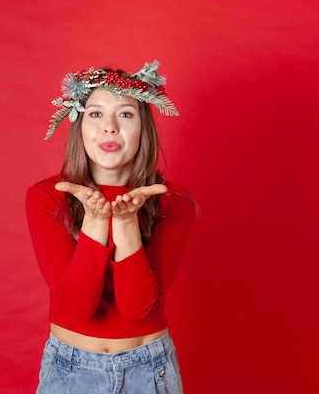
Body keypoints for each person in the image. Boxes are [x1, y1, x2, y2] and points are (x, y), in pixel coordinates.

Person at [26, 60, 196, 394]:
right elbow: (78, 307)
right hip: (70, 371)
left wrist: (125, 221)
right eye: (96, 113)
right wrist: (96, 221)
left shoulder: (173, 200)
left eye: (126, 114)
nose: (110, 127)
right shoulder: (47, 197)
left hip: (150, 372)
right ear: (79, 123)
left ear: (142, 127)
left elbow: (138, 309)